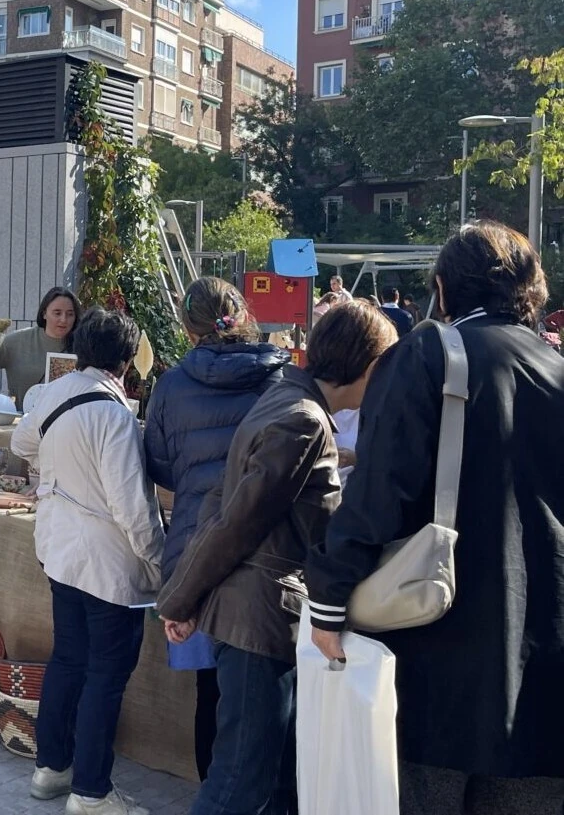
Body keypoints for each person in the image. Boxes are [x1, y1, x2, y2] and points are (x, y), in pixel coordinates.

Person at [306, 222, 564, 814]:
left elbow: (379, 486)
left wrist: (328, 596)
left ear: (443, 290)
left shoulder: (430, 353)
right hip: (545, 661)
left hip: (441, 638)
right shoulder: (554, 368)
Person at [159, 302, 398, 815]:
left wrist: (187, 596)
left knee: (268, 783)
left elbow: (220, 508)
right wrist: (180, 600)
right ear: (366, 363)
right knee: (240, 785)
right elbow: (235, 520)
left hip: (256, 616)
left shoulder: (285, 400)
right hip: (259, 620)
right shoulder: (301, 420)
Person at [12, 308, 163, 815]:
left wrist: (54, 472)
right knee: (104, 674)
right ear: (125, 360)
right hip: (107, 563)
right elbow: (132, 508)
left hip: (58, 550)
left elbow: (20, 441)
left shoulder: (54, 392)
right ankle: (92, 793)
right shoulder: (116, 415)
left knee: (69, 660)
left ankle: (50, 769)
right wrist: (161, 564)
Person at [143, 277, 290, 783]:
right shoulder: (279, 379)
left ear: (188, 328)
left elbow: (160, 467)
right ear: (243, 315)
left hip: (195, 547)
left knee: (210, 692)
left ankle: (211, 793)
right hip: (266, 552)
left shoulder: (171, 385)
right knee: (267, 696)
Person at [0, 286, 81, 408]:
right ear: (44, 313)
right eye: (57, 313)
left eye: (70, 314)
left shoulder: (84, 347)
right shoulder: (18, 341)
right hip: (22, 422)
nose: (63, 319)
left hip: (68, 423)